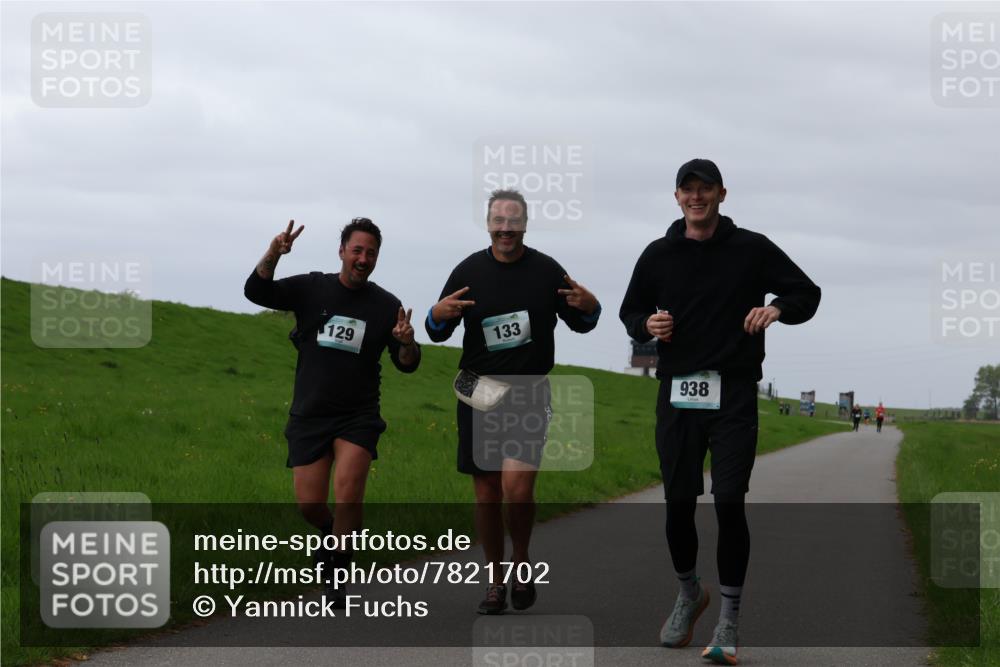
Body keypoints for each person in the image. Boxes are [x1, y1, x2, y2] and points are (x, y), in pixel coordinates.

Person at [619, 159, 820, 665]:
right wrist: (646, 325)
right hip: (677, 393)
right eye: (687, 189)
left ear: (722, 194)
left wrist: (777, 308)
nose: (696, 197)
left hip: (732, 392)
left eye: (705, 189)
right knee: (678, 504)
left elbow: (806, 292)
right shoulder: (658, 254)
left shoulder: (751, 248)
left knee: (729, 501)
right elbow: (630, 311)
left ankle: (728, 620)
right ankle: (690, 593)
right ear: (676, 197)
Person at [425, 188, 600, 615]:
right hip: (478, 390)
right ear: (488, 224)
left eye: (514, 221)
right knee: (487, 494)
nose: (506, 229)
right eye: (498, 221)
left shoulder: (546, 271)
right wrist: (434, 315)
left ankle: (521, 562)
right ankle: (494, 581)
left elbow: (583, 322)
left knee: (517, 490)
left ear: (525, 224)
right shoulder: (468, 271)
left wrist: (592, 306)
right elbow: (437, 331)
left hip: (527, 391)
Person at [244, 218, 420, 605]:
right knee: (310, 505)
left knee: (349, 495)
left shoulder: (386, 305)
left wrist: (407, 342)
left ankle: (337, 573)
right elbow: (256, 291)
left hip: (358, 414)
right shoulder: (312, 288)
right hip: (311, 412)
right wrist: (274, 253)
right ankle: (330, 533)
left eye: (371, 253)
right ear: (341, 251)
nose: (363, 258)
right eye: (357, 250)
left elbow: (407, 364)